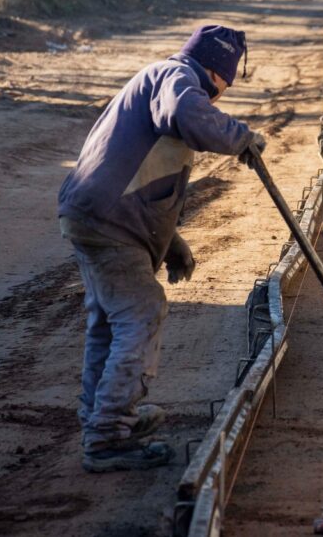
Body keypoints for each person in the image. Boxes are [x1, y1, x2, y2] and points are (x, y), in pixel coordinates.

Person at [57, 25, 266, 473]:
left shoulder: (161, 79)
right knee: (142, 313)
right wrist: (241, 139)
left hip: (95, 215)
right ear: (219, 70)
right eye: (231, 78)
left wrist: (170, 241)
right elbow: (187, 114)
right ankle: (109, 435)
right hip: (107, 220)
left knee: (108, 324)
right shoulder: (179, 79)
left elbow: (138, 171)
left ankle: (102, 419)